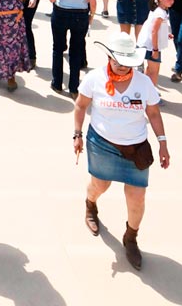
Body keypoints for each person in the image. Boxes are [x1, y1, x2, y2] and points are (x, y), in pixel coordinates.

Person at [73, 32, 170, 271]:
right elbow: (80, 106)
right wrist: (77, 134)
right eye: (118, 61)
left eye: (127, 62)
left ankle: (131, 238)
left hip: (135, 147)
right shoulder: (94, 79)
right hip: (102, 144)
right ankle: (90, 205)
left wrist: (163, 143)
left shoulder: (143, 83)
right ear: (109, 57)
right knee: (100, 185)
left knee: (136, 197)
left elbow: (154, 113)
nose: (122, 66)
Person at [49, 0, 98, 97]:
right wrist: (91, 15)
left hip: (61, 11)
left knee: (58, 48)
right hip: (80, 13)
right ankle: (74, 87)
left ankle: (57, 83)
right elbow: (93, 1)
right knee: (76, 51)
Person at [138, 0, 181, 87]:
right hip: (151, 46)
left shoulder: (158, 10)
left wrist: (166, 34)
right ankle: (151, 94)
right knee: (154, 72)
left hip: (147, 44)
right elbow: (154, 31)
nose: (172, 1)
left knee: (150, 70)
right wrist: (155, 50)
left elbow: (156, 29)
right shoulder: (160, 13)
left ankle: (145, 91)